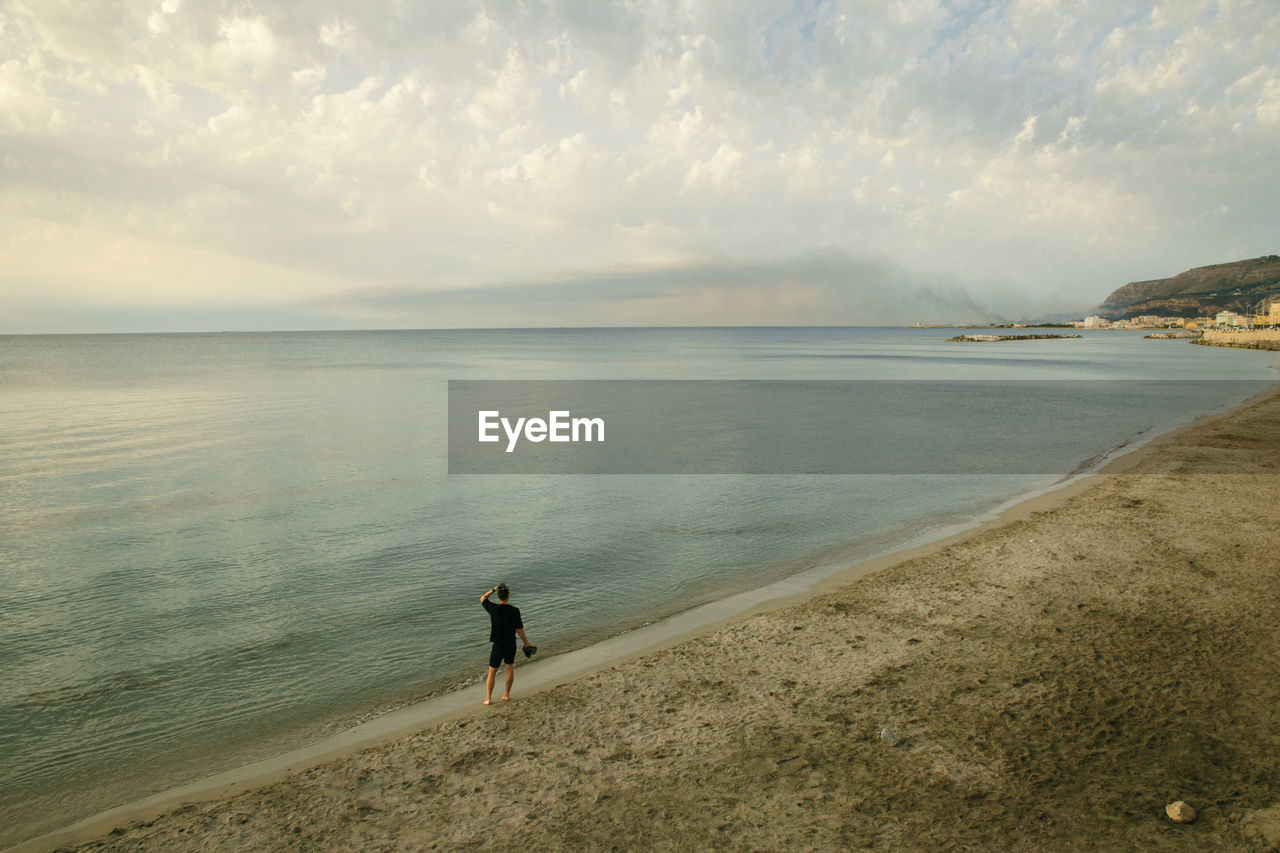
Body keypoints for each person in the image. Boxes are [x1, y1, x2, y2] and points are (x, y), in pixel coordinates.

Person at [480, 583, 532, 705]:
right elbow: (520, 629)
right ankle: (507, 695)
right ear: (508, 596)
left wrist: (493, 589)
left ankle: (488, 698)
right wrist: (526, 642)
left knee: (492, 670)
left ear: (498, 596)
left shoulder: (493, 608)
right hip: (511, 644)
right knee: (509, 668)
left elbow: (482, 598)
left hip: (498, 645)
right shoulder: (515, 611)